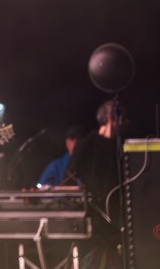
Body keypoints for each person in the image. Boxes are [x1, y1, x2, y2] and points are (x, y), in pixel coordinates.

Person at [66, 101, 125, 268]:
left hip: (117, 217)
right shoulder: (86, 144)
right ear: (112, 118)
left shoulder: (119, 145)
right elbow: (69, 179)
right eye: (124, 118)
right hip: (95, 219)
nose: (127, 123)